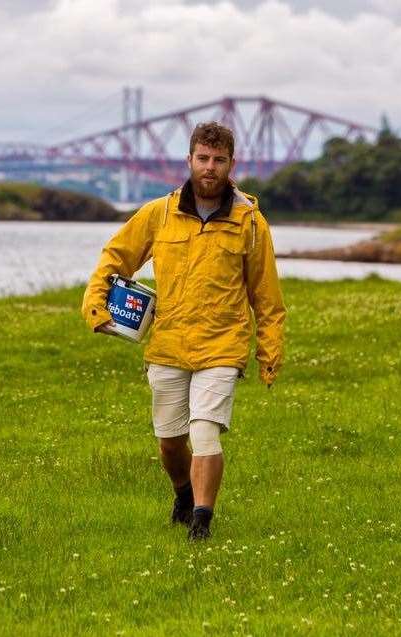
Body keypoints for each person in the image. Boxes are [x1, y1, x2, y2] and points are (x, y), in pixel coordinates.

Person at [81, 121, 286, 541]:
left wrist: (269, 349)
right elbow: (116, 257)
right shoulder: (159, 214)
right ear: (189, 160)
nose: (210, 167)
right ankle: (182, 492)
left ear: (232, 164)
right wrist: (95, 304)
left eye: (219, 160)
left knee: (205, 429)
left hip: (222, 345)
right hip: (168, 344)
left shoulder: (250, 222)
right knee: (171, 443)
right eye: (203, 158)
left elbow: (266, 295)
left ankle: (202, 522)